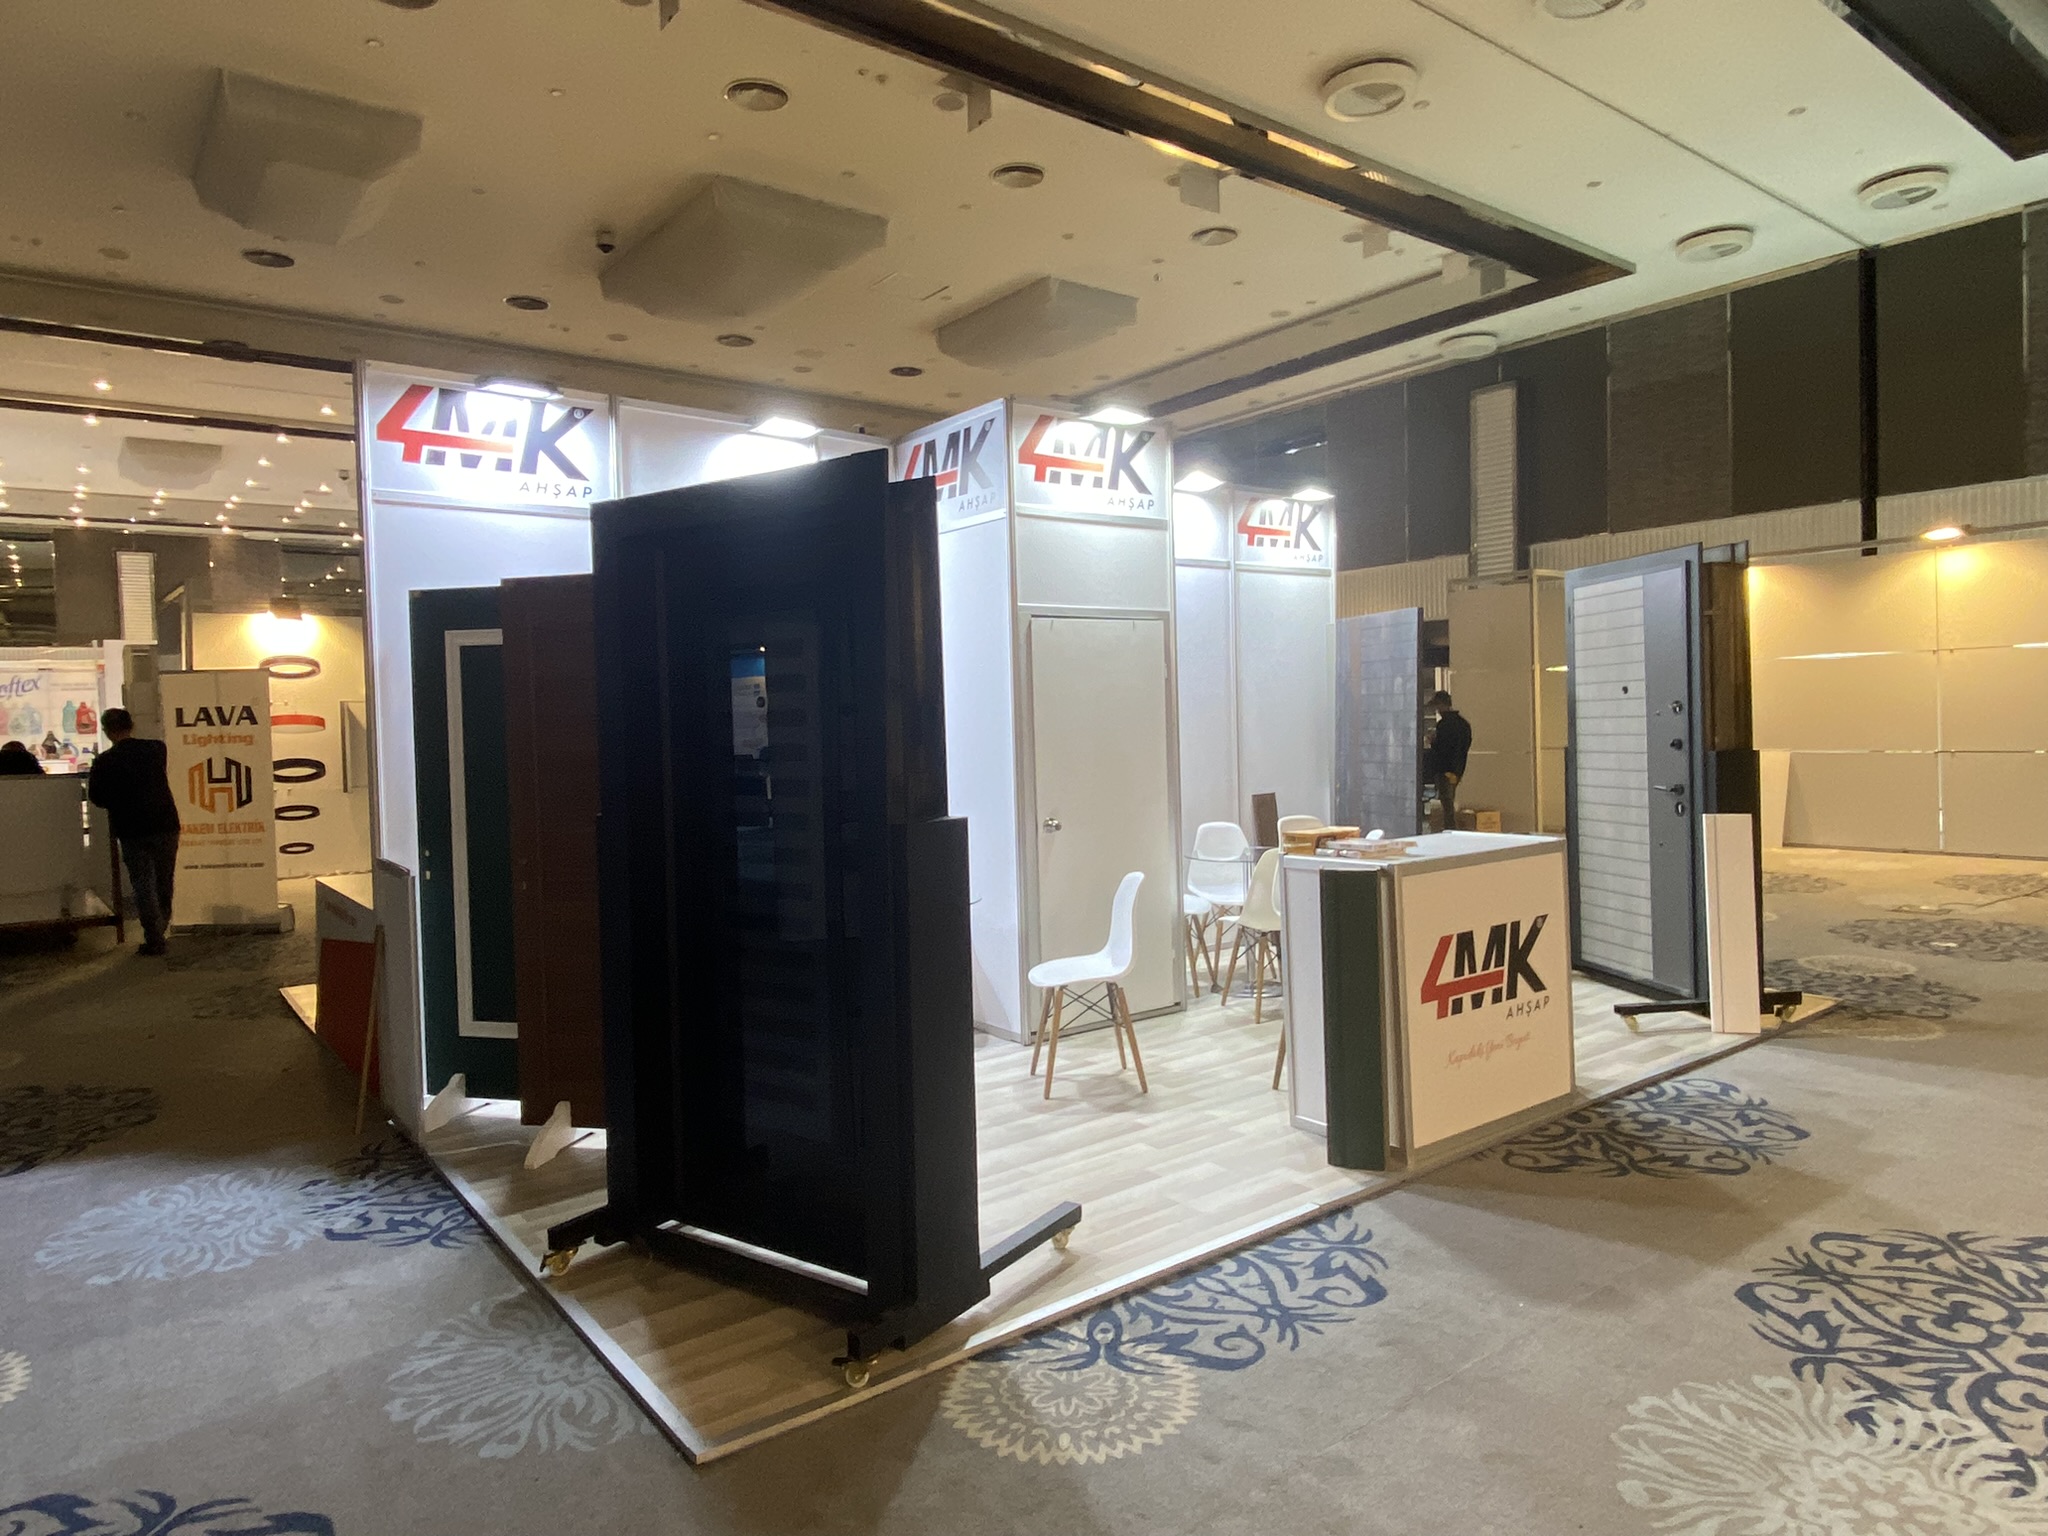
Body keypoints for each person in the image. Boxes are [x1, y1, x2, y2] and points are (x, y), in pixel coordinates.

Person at [87, 707, 182, 956]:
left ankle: (154, 936)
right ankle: (161, 926)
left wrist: (118, 799)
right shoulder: (156, 749)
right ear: (132, 725)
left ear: (107, 731)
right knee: (164, 879)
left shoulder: (104, 761)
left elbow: (96, 797)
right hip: (165, 823)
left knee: (142, 884)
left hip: (131, 828)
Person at [1424, 690, 1472, 830]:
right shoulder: (1464, 724)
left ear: (1442, 705)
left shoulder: (1444, 725)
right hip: (1457, 770)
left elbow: (1442, 749)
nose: (1437, 710)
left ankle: (1450, 830)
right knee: (1449, 801)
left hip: (1444, 769)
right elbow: (1465, 745)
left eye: (1437, 706)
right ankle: (1451, 829)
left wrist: (1433, 741)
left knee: (1447, 805)